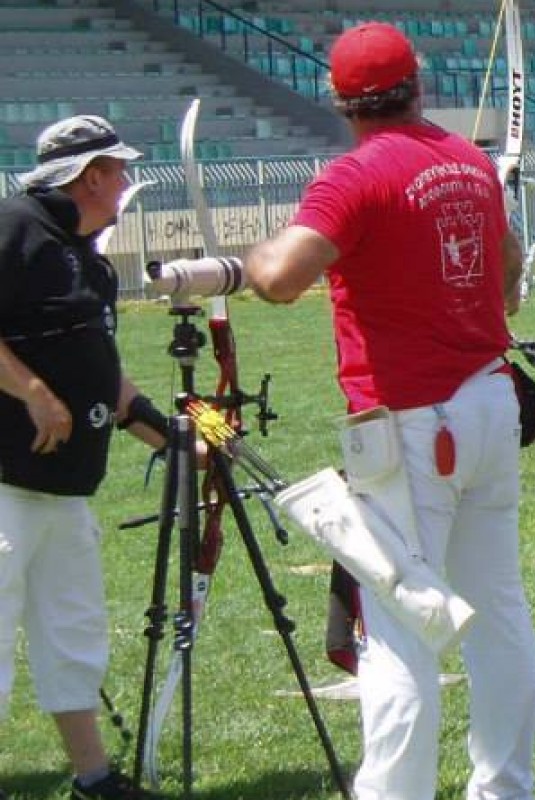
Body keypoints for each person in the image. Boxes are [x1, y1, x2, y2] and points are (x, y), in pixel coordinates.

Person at [242, 22, 535, 800]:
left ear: (343, 102)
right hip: (486, 400)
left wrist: (247, 255)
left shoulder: (356, 175)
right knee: (498, 610)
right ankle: (505, 787)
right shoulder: (468, 159)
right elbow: (505, 267)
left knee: (400, 625)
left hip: (412, 424)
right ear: (417, 86)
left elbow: (279, 277)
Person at [0, 115, 169, 799]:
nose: (126, 182)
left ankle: (93, 777)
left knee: (73, 629)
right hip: (7, 475)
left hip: (63, 483)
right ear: (90, 176)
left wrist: (169, 433)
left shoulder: (86, 255)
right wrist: (33, 391)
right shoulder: (13, 228)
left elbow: (98, 368)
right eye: (119, 171)